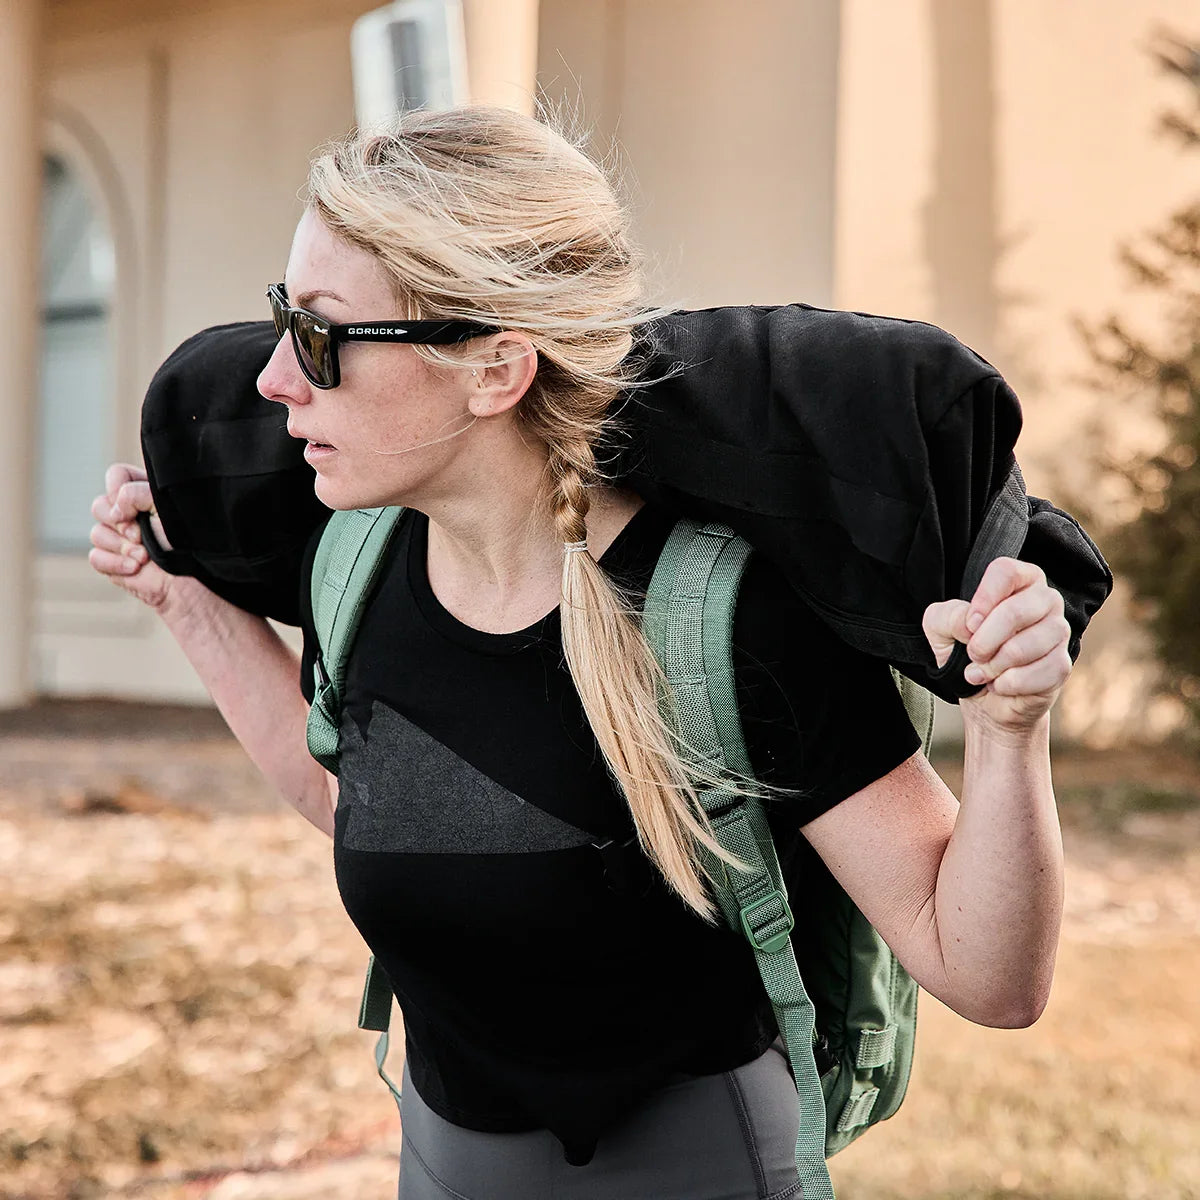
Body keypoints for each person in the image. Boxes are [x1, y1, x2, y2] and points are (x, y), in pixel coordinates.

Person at [89, 105, 1071, 1200]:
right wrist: (181, 598)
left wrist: (1008, 731)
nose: (275, 377)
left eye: (321, 334)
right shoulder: (357, 562)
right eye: (283, 318)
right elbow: (351, 797)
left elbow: (987, 974)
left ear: (496, 369)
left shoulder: (722, 617)